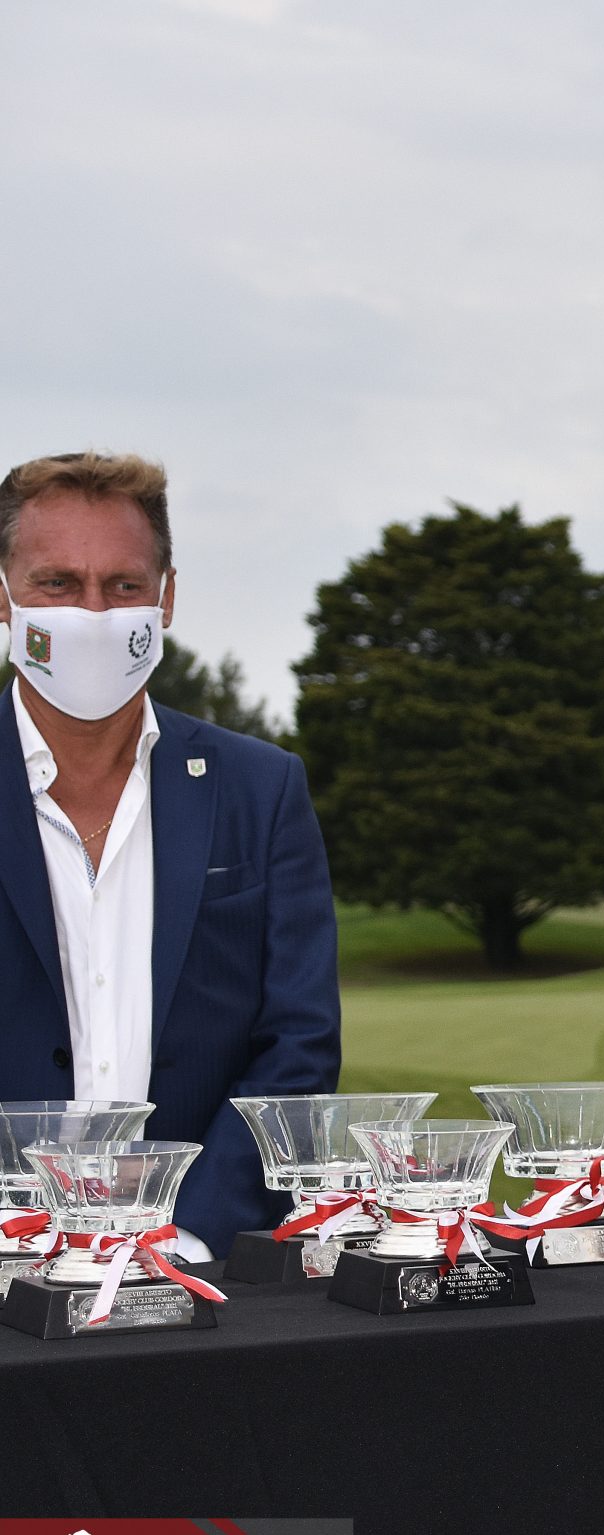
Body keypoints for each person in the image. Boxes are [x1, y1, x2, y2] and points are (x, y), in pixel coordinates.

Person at [0, 452, 338, 1259]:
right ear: (4, 597)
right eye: (57, 582)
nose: (93, 612)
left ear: (167, 597)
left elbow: (298, 1044)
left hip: (201, 1270)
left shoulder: (261, 788)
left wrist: (190, 1233)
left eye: (123, 585)